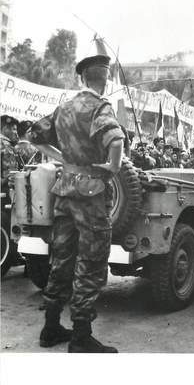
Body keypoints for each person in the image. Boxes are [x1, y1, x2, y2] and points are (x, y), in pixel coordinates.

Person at [30, 53, 125, 353]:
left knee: (61, 258)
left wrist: (61, 159)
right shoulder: (99, 106)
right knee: (92, 261)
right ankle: (81, 336)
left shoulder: (65, 107)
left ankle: (51, 327)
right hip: (91, 194)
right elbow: (116, 140)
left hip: (65, 190)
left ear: (82, 78)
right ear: (105, 79)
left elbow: (33, 136)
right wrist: (113, 167)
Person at [0, 115, 19, 207]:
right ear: (5, 129)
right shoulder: (6, 145)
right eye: (14, 129)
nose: (16, 133)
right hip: (3, 192)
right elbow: (11, 174)